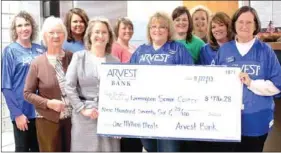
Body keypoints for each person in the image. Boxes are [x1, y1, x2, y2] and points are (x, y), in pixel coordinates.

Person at [215, 6, 281, 152]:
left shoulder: (265, 51)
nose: (244, 26)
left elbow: (277, 85)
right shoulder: (225, 50)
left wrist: (251, 83)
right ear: (234, 24)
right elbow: (216, 82)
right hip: (229, 120)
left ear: (256, 25)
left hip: (257, 120)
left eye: (249, 22)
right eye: (240, 22)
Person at [130, 12, 193, 152]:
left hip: (170, 114)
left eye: (162, 27)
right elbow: (130, 78)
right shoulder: (141, 51)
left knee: (168, 149)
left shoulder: (178, 49)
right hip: (145, 112)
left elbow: (190, 78)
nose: (157, 30)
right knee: (149, 147)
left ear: (168, 30)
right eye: (153, 26)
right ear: (149, 30)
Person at [64, 17, 120, 152]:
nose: (100, 36)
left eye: (104, 32)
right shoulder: (79, 57)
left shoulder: (115, 61)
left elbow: (120, 91)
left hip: (108, 116)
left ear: (109, 36)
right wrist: (82, 109)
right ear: (89, 35)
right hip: (84, 116)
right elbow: (69, 86)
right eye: (96, 32)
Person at [23, 16, 73, 152]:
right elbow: (27, 93)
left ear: (64, 35)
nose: (56, 36)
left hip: (73, 121)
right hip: (47, 121)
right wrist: (48, 103)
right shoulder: (37, 63)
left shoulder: (72, 58)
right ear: (45, 36)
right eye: (51, 32)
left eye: (59, 32)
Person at [1, 11, 44, 152]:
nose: (24, 28)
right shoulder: (10, 51)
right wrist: (17, 114)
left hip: (41, 112)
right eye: (19, 25)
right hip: (23, 113)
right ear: (15, 30)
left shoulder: (40, 49)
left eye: (27, 24)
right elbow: (6, 86)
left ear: (32, 27)